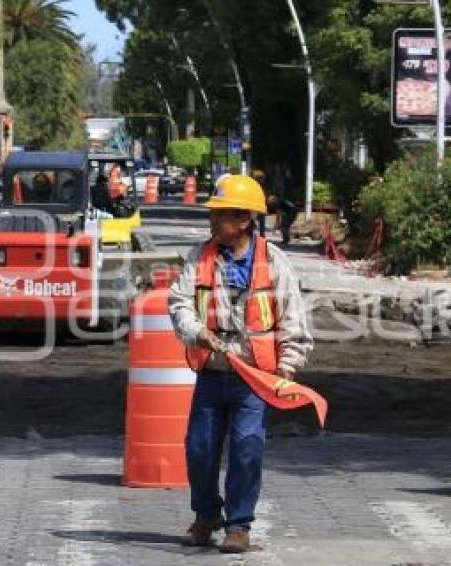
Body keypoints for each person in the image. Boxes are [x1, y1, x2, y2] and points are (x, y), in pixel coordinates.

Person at [168, 175, 314, 553]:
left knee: (247, 447)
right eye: (213, 215)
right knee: (199, 449)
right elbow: (179, 302)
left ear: (244, 220)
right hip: (212, 373)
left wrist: (288, 365)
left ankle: (238, 524)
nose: (212, 222)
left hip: (255, 378)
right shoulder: (200, 257)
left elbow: (293, 317)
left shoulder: (273, 262)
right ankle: (206, 514)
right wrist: (195, 331)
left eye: (220, 215)